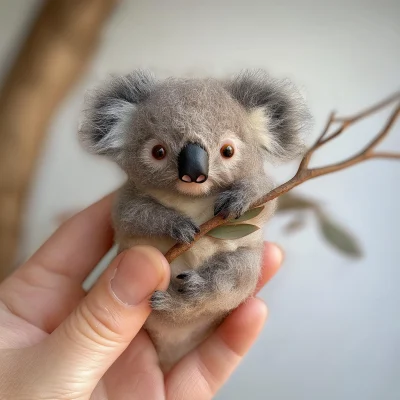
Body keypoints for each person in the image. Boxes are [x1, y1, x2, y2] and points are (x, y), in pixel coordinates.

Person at [0, 193, 283, 399]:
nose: (194, 169)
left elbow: (263, 202)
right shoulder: (136, 195)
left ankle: (196, 291)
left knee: (246, 266)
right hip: (147, 327)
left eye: (227, 152)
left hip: (203, 307)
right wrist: (168, 222)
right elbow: (128, 213)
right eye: (158, 152)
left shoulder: (247, 178)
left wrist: (245, 196)